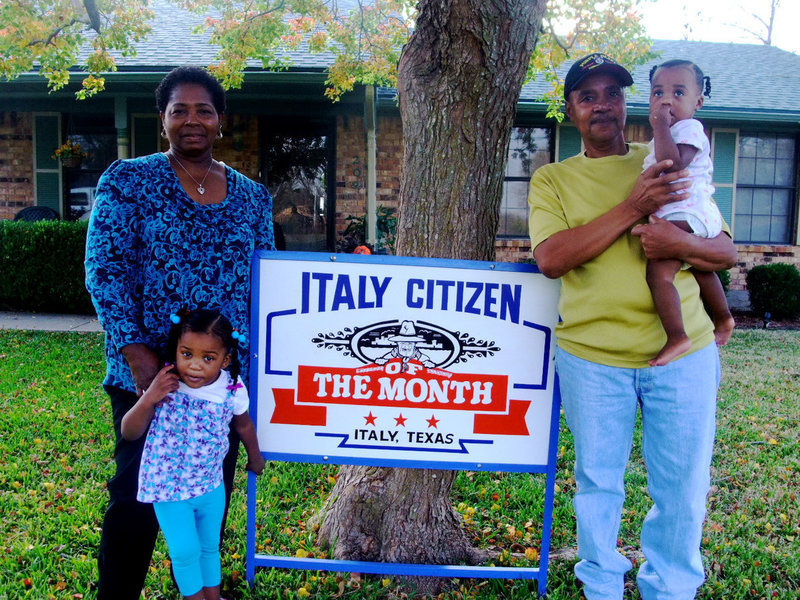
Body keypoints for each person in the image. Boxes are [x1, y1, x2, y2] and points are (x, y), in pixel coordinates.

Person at [527, 53, 737, 600]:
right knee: (598, 484)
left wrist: (678, 242)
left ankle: (671, 588)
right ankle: (602, 587)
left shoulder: (667, 156)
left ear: (628, 104)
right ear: (571, 110)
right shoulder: (553, 179)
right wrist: (634, 206)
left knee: (682, 486)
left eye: (613, 94)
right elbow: (552, 258)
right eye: (588, 96)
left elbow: (723, 250)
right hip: (592, 359)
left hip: (685, 356)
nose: (602, 105)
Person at [85, 65, 275, 600]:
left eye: (204, 110)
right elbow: (104, 270)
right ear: (163, 118)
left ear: (220, 119)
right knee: (136, 496)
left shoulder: (253, 197)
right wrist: (139, 356)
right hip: (152, 373)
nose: (192, 120)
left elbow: (266, 279)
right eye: (179, 110)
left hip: (219, 378)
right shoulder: (129, 181)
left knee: (208, 495)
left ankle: (195, 590)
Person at [121, 309, 265, 600]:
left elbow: (244, 425)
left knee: (209, 547)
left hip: (210, 485)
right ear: (175, 349)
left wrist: (255, 455)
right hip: (168, 489)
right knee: (185, 552)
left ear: (225, 360)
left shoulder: (232, 388)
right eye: (186, 354)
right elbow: (129, 432)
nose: (195, 366)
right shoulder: (166, 384)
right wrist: (150, 397)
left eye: (208, 358)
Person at [643, 59, 734, 366]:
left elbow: (671, 165)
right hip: (693, 213)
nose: (666, 100)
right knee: (699, 267)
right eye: (658, 93)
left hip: (688, 211)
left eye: (678, 92)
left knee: (658, 273)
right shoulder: (671, 134)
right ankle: (723, 317)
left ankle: (677, 336)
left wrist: (659, 126)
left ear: (698, 102)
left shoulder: (689, 129)